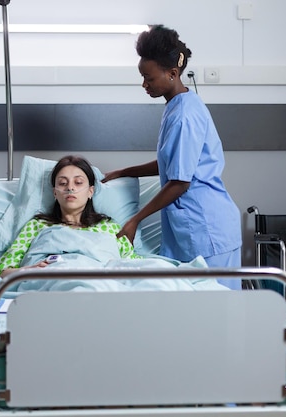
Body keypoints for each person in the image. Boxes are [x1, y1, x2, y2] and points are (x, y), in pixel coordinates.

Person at [102, 25, 242, 290]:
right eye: (142, 76)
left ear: (172, 73)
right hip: (196, 229)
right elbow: (172, 162)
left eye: (149, 78)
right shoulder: (180, 103)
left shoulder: (184, 116)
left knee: (217, 314)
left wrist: (135, 220)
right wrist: (124, 172)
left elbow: (180, 181)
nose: (144, 84)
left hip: (208, 231)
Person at [0, 155, 141, 278]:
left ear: (90, 191)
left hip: (99, 282)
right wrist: (27, 271)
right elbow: (2, 271)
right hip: (49, 283)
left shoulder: (109, 226)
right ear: (55, 193)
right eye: (63, 183)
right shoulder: (38, 225)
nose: (70, 188)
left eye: (78, 182)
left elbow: (133, 265)